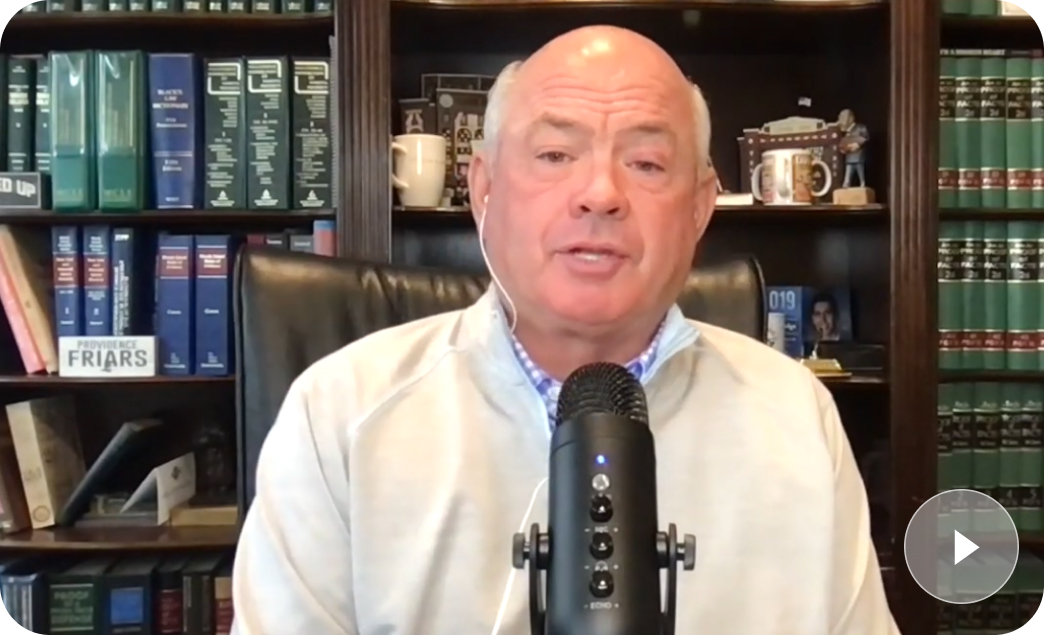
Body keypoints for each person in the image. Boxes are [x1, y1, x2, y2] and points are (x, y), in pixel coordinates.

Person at [231, 26, 900, 635]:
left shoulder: (796, 416)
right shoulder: (339, 416)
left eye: (646, 163)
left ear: (700, 208)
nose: (600, 193)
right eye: (555, 154)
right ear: (483, 190)